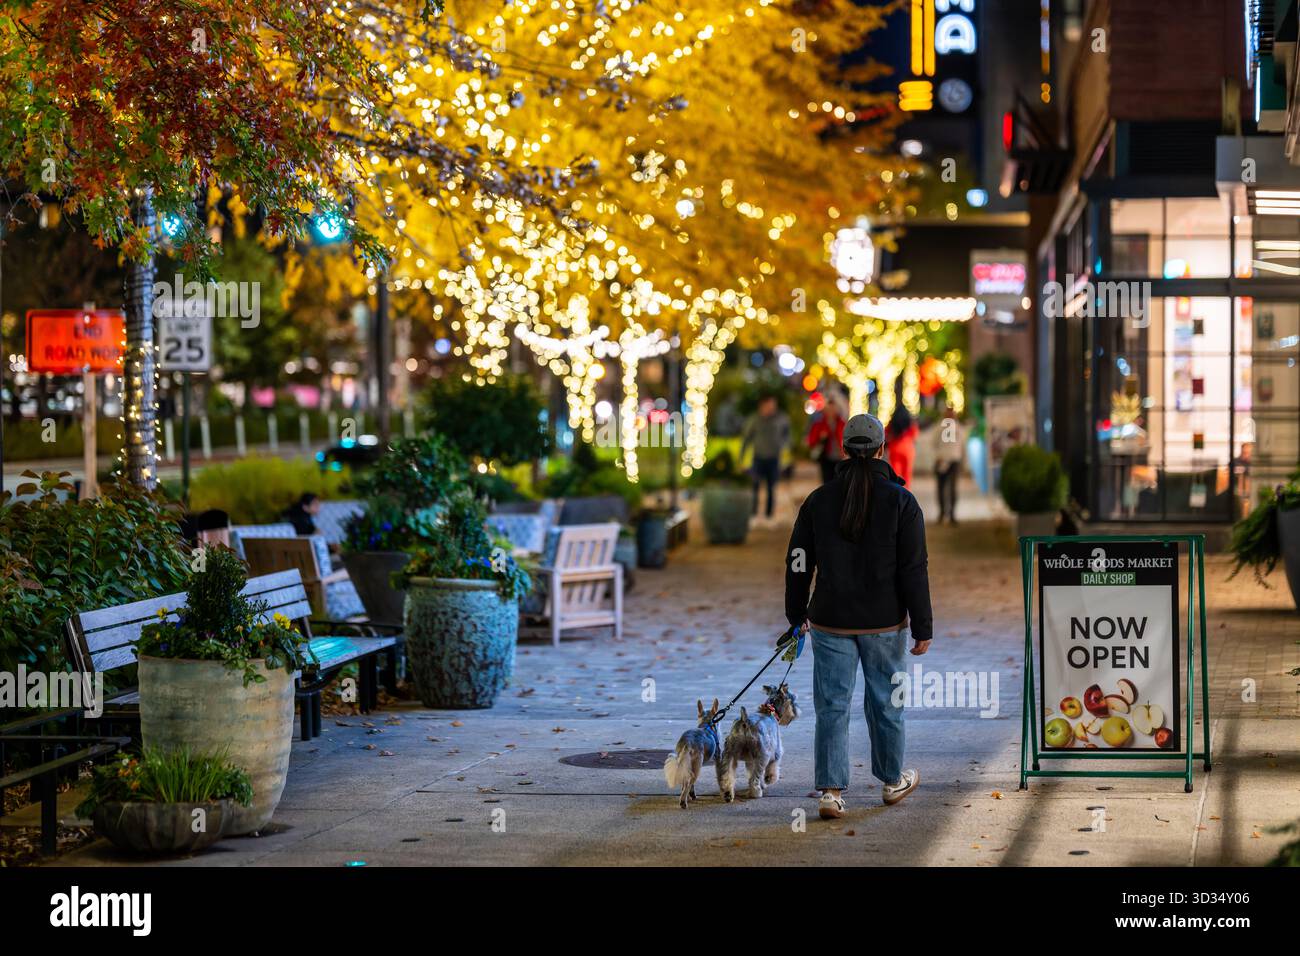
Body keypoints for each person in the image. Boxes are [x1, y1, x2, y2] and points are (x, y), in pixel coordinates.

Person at [784, 413, 933, 820]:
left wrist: (796, 614)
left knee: (832, 705)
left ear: (844, 449)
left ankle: (831, 791)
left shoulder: (818, 500)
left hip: (830, 620)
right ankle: (890, 781)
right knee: (886, 703)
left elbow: (798, 561)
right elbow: (914, 569)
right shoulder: (903, 502)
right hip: (885, 622)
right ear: (882, 449)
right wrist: (923, 625)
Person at [740, 394, 790, 521]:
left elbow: (787, 436)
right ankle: (753, 513)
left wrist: (786, 454)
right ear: (762, 406)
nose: (772, 408)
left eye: (773, 405)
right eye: (769, 405)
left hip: (774, 459)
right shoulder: (754, 420)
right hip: (758, 458)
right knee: (755, 486)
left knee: (771, 487)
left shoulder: (781, 419)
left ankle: (769, 514)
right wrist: (742, 458)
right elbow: (746, 439)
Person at [929, 406, 965, 524]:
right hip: (945, 459)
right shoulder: (956, 427)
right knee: (946, 488)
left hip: (949, 459)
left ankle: (948, 514)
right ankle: (946, 514)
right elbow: (962, 445)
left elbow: (961, 446)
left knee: (947, 488)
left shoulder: (944, 427)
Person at [806, 396, 846, 484]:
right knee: (827, 481)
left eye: (833, 409)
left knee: (838, 481)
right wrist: (821, 438)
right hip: (825, 457)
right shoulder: (819, 424)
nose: (831, 411)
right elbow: (811, 440)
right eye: (829, 409)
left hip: (839, 457)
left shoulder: (842, 423)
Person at [885, 406, 919, 488]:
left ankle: (896, 492)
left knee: (896, 474)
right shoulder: (910, 423)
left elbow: (886, 434)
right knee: (907, 474)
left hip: (895, 449)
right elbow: (915, 435)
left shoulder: (892, 423)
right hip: (908, 450)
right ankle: (906, 492)